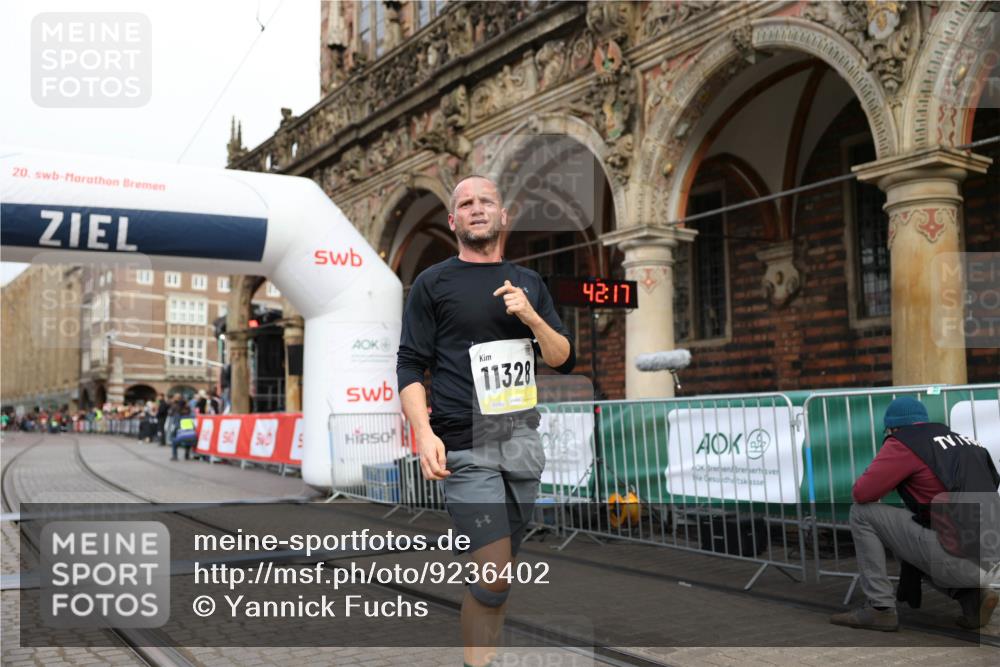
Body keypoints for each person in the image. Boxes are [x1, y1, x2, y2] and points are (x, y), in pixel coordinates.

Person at [397, 175, 575, 667]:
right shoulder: (433, 283)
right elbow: (411, 362)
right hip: (465, 442)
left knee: (496, 581)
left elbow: (563, 357)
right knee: (494, 573)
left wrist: (533, 319)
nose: (477, 209)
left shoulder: (530, 283)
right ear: (453, 220)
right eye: (466, 204)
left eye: (486, 202)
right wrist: (423, 431)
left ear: (503, 216)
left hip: (521, 442)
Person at [830, 396, 1000, 632]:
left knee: (861, 513)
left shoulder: (904, 442)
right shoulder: (965, 441)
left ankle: (879, 608)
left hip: (958, 558)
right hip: (991, 556)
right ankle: (973, 598)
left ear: (893, 427)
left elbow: (862, 492)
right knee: (917, 527)